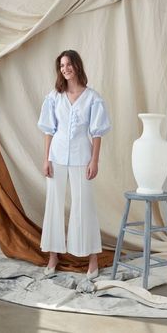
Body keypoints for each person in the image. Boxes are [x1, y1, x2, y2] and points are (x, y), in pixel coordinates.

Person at [38, 50, 111, 279]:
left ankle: (92, 259)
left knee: (84, 206)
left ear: (77, 66)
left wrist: (95, 160)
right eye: (61, 66)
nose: (65, 69)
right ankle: (53, 256)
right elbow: (49, 130)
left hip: (82, 156)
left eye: (68, 64)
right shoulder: (54, 96)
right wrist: (46, 158)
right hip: (57, 155)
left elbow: (97, 133)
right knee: (54, 205)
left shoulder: (92, 97)